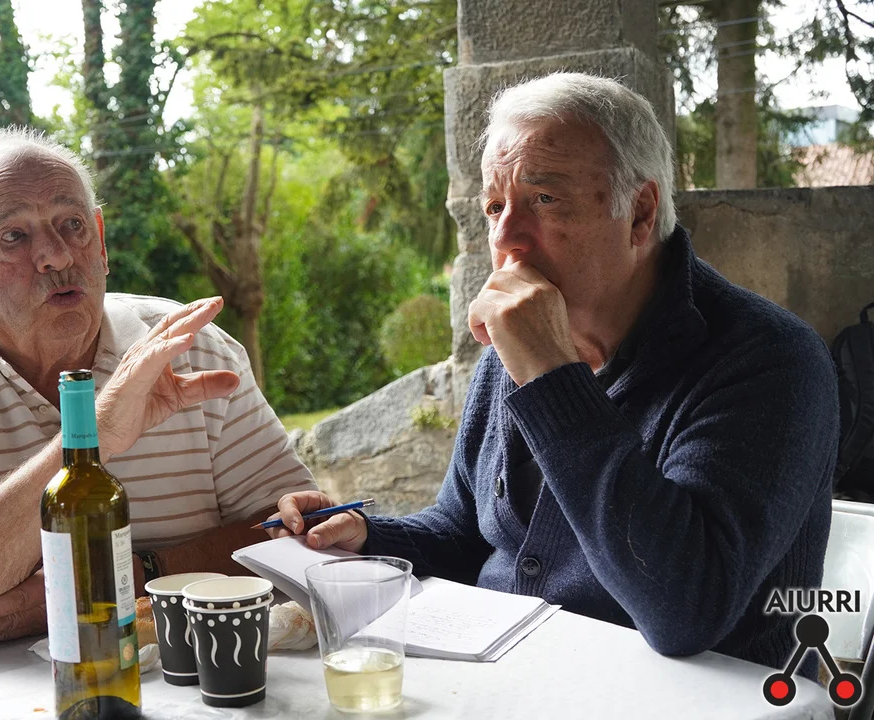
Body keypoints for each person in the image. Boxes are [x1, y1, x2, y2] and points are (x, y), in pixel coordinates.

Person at [269, 72, 837, 674]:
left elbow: (686, 611)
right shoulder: (512, 351)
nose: (507, 238)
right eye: (494, 207)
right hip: (510, 683)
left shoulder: (771, 361)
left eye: (544, 198)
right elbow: (464, 530)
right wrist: (368, 536)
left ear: (640, 212)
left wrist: (550, 375)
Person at [0, 128, 316, 648]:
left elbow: (296, 530)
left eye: (72, 225)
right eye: (14, 237)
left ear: (100, 239)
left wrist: (111, 582)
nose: (56, 256)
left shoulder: (193, 348)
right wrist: (95, 435)